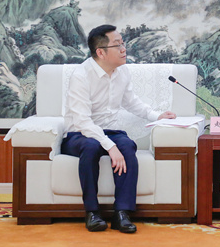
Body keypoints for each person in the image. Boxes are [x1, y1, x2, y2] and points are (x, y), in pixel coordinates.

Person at [63, 25, 176, 233]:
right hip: (79, 134)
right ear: (101, 52)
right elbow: (83, 122)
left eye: (123, 43)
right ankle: (92, 212)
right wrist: (110, 146)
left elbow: (131, 102)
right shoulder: (81, 75)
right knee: (90, 147)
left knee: (127, 146)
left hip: (110, 131)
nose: (124, 49)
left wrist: (156, 115)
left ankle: (122, 213)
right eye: (118, 45)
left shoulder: (122, 71)